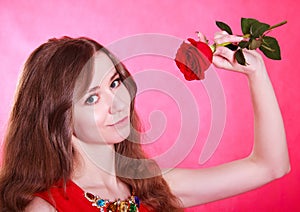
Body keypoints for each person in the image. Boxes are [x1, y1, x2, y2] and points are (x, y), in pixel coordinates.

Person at [0, 32, 290, 212]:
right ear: (58, 118)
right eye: (92, 98)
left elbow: (270, 166)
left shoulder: (155, 187)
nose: (118, 103)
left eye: (115, 83)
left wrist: (256, 73)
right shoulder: (45, 208)